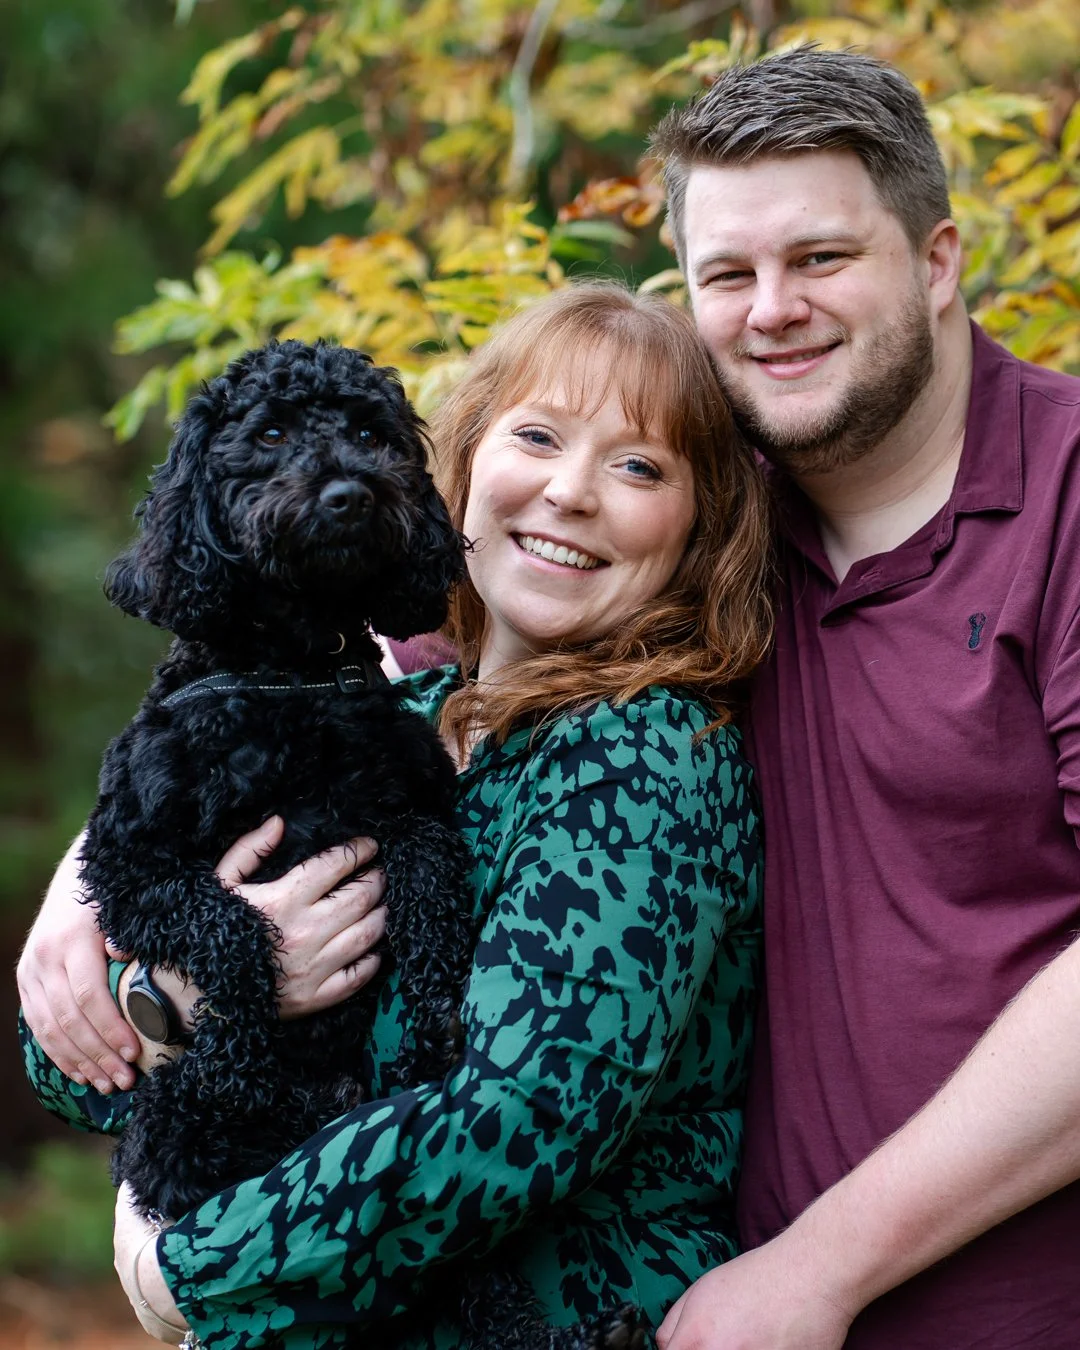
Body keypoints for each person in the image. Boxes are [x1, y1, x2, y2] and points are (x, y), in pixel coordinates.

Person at [17, 282, 773, 1347]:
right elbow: (65, 1060)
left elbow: (519, 1122)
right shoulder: (387, 713)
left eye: (638, 465)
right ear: (460, 468)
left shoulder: (645, 754)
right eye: (540, 436)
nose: (570, 491)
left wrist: (191, 1266)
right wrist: (170, 994)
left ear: (697, 528)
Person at [645, 45, 1080, 1350]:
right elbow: (383, 666)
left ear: (937, 262)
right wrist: (100, 885)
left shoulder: (1066, 495)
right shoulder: (681, 507)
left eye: (821, 258)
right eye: (728, 273)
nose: (771, 308)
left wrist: (816, 1267)